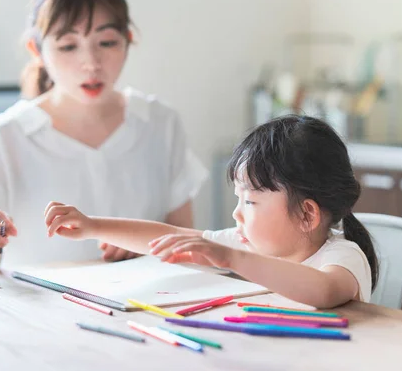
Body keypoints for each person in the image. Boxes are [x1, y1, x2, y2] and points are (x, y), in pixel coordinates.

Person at [0, 0, 207, 269]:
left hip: (143, 307)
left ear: (127, 39)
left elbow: (191, 253)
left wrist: (142, 247)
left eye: (107, 42)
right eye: (68, 46)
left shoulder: (161, 124)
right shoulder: (3, 136)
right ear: (36, 50)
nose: (91, 63)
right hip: (40, 311)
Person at [43, 115, 379, 308]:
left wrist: (232, 259)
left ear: (307, 215)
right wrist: (92, 226)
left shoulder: (342, 256)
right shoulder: (251, 244)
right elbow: (171, 239)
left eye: (250, 202)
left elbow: (322, 291)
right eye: (238, 199)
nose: (237, 214)